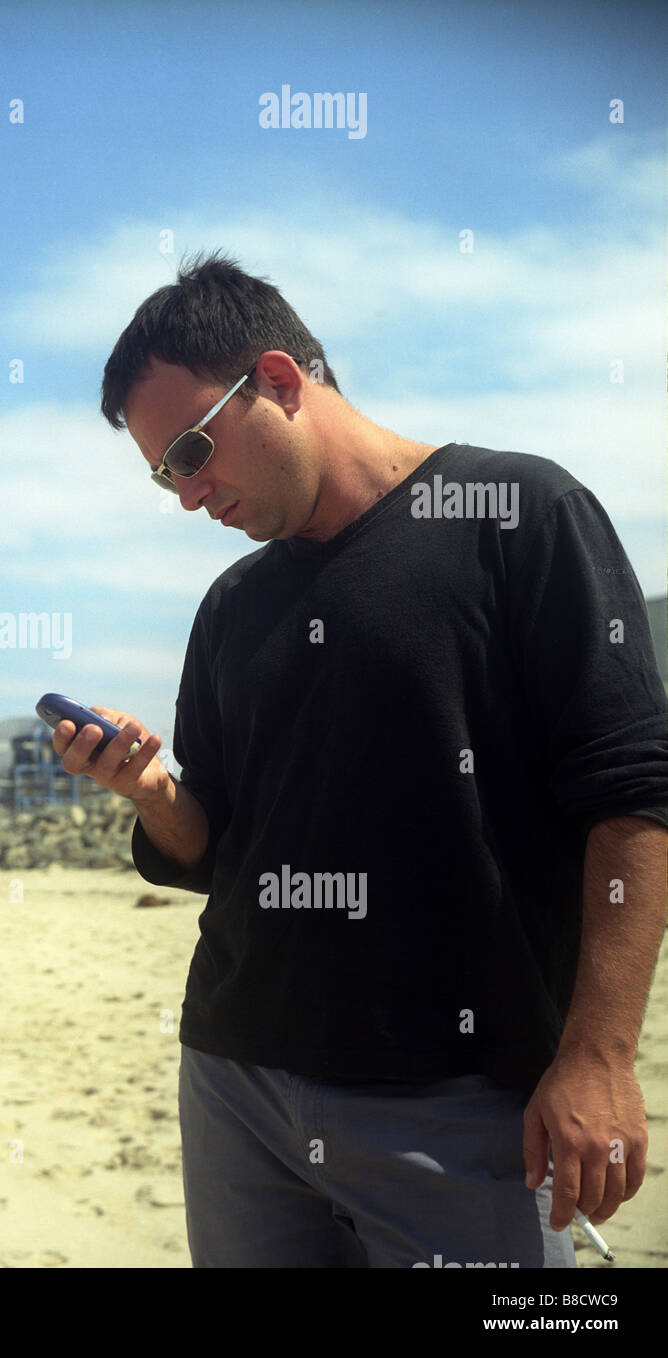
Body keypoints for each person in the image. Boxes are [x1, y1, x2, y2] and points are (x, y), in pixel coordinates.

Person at [51, 251, 668, 1268]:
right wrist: (152, 790)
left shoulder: (520, 513)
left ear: (280, 379)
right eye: (165, 473)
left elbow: (633, 790)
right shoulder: (232, 606)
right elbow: (213, 847)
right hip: (234, 1083)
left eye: (192, 450)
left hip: (458, 1099)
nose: (188, 494)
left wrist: (599, 1055)